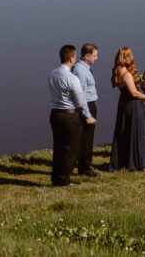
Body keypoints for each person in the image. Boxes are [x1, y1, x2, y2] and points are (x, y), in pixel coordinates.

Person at [49, 44, 96, 186]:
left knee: (58, 147)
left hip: (55, 113)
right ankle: (64, 179)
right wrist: (88, 116)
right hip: (69, 115)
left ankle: (56, 177)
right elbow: (80, 101)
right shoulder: (72, 78)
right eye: (75, 56)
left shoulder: (53, 74)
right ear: (71, 58)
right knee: (72, 149)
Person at [108, 47, 145, 172]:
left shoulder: (117, 70)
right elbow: (133, 92)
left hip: (124, 103)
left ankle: (124, 159)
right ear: (129, 57)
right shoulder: (126, 74)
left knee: (124, 130)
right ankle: (136, 161)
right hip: (133, 105)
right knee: (136, 130)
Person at [71, 42, 99, 177]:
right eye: (94, 56)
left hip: (90, 104)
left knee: (88, 137)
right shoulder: (81, 70)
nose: (96, 58)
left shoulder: (85, 68)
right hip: (86, 106)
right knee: (86, 138)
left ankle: (85, 164)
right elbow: (80, 94)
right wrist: (87, 114)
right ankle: (85, 167)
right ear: (87, 56)